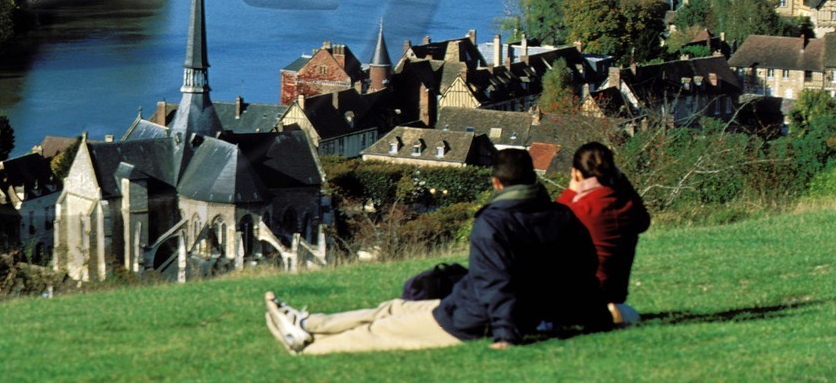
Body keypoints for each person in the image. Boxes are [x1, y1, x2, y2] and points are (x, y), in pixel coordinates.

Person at [265, 149, 610, 355]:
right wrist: (598, 317)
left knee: (377, 334)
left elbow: (498, 282)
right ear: (532, 179)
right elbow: (585, 268)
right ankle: (307, 323)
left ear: (496, 183)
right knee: (393, 308)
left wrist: (506, 335)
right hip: (485, 306)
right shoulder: (562, 216)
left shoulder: (493, 223)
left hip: (472, 320)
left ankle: (306, 345)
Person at [557, 141, 650, 323]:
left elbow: (550, 221)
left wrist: (569, 191)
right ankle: (613, 311)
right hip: (616, 294)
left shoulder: (580, 209)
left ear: (576, 172)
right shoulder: (628, 206)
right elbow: (643, 221)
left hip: (580, 294)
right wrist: (622, 181)